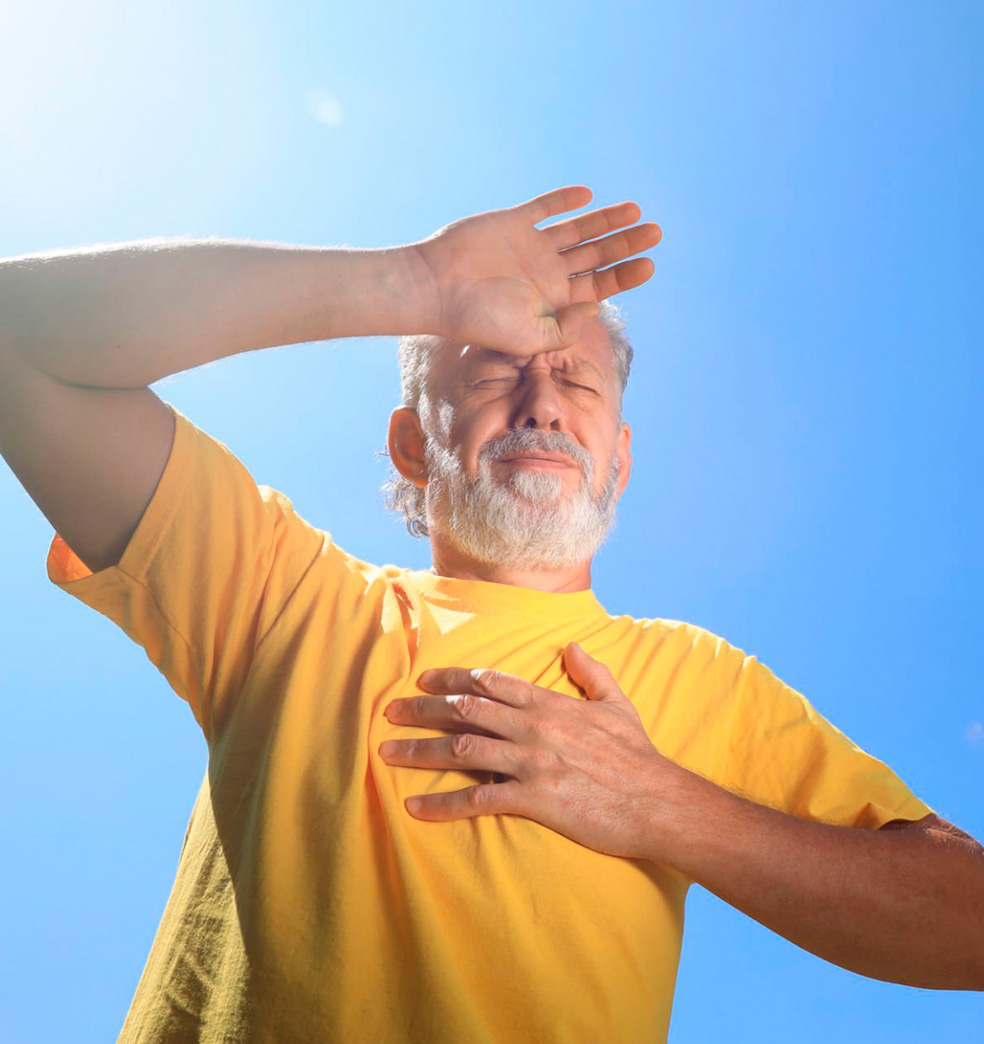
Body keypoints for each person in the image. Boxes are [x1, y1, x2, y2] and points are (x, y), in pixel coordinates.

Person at [0, 186, 980, 1044]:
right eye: (494, 369)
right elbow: (17, 330)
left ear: (622, 457)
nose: (542, 403)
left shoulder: (700, 678)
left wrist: (657, 805)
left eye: (576, 378)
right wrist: (413, 280)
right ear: (412, 446)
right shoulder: (281, 601)